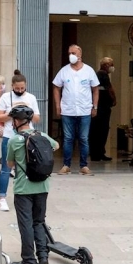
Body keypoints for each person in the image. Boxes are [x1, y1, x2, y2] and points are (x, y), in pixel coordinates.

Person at [6, 106, 59, 264]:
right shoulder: (42, 135)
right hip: (42, 186)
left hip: (23, 188)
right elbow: (56, 146)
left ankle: (29, 260)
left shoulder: (14, 140)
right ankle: (43, 256)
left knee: (26, 224)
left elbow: (9, 164)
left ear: (17, 121)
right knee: (39, 221)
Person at [0, 70, 41, 212]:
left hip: (28, 136)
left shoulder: (31, 98)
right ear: (12, 86)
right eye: (17, 88)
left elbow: (37, 118)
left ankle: (27, 195)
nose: (20, 91)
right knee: (6, 167)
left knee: (28, 165)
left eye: (22, 88)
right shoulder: (5, 97)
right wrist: (12, 112)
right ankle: (2, 197)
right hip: (10, 135)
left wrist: (26, 110)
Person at [52, 44, 100, 176]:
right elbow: (56, 87)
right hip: (68, 110)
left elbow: (95, 89)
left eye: (73, 53)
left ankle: (84, 166)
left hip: (85, 110)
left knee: (84, 138)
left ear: (80, 54)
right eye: (69, 53)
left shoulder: (89, 71)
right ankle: (66, 165)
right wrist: (58, 105)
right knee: (68, 138)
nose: (70, 55)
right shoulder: (64, 71)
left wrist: (95, 106)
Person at [89, 57, 117, 162]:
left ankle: (98, 152)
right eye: (111, 65)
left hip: (101, 106)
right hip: (102, 107)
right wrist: (114, 99)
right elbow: (109, 89)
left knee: (98, 130)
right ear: (106, 65)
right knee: (101, 130)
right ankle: (98, 153)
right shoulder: (102, 75)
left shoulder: (98, 74)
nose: (112, 67)